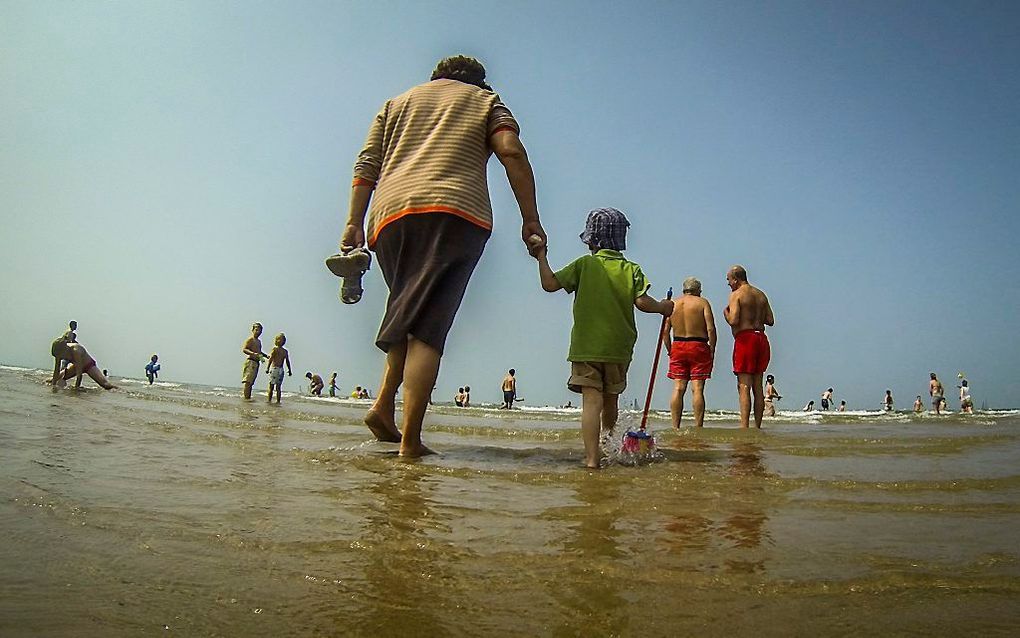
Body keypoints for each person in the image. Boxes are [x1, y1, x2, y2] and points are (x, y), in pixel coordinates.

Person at [338, 55, 545, 457]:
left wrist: (353, 222)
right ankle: (411, 442)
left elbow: (367, 164)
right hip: (453, 213)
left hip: (389, 216)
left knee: (409, 307)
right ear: (479, 83)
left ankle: (383, 406)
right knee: (430, 327)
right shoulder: (486, 102)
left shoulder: (395, 104)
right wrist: (531, 218)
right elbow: (511, 151)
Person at [533, 207, 673, 468]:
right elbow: (642, 302)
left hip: (586, 347)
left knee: (591, 402)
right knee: (611, 400)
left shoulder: (584, 265)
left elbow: (549, 284)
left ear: (591, 240)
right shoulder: (631, 269)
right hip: (619, 348)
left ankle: (591, 458)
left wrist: (542, 257)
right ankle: (610, 447)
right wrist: (663, 307)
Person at [724, 265, 775, 428]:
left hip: (746, 339)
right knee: (758, 386)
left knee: (744, 385)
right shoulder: (761, 295)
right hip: (761, 338)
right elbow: (770, 320)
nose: (728, 284)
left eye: (729, 280)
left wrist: (726, 313)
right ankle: (757, 426)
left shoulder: (736, 294)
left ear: (736, 279)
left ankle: (744, 426)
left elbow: (733, 320)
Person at [664, 276, 716, 429]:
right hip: (698, 345)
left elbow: (665, 332)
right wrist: (712, 348)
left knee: (678, 387)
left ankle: (675, 426)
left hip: (678, 344)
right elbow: (711, 328)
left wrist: (669, 350)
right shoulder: (703, 303)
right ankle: (698, 426)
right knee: (697, 388)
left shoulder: (673, 304)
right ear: (698, 290)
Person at [49, 336, 116, 390]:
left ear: (65, 350)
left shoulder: (76, 350)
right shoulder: (58, 352)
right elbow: (56, 371)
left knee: (105, 385)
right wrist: (53, 385)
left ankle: (121, 390)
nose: (60, 358)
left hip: (88, 365)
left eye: (60, 356)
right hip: (75, 366)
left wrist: (76, 388)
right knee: (51, 380)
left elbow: (79, 374)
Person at [241, 322, 266, 400]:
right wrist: (253, 353)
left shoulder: (259, 341)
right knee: (247, 381)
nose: (258, 332)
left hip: (256, 362)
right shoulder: (250, 339)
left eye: (260, 331)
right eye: (257, 330)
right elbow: (244, 349)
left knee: (251, 382)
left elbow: (259, 352)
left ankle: (248, 397)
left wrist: (265, 356)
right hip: (250, 361)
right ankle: (246, 398)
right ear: (253, 330)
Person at [265, 334, 292, 404]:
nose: (281, 341)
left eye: (282, 340)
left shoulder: (284, 351)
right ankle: (269, 400)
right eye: (279, 339)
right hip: (275, 369)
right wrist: (267, 368)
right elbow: (271, 359)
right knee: (271, 386)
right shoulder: (275, 349)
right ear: (276, 340)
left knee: (278, 387)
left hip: (279, 369)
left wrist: (289, 370)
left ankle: (277, 401)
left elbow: (287, 361)